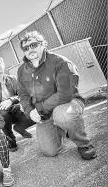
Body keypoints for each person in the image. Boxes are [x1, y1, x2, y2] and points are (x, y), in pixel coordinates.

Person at [17, 30, 97, 160]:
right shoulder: (21, 70)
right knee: (49, 151)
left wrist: (39, 109)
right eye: (26, 48)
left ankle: (84, 143)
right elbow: (22, 93)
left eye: (34, 45)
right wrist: (30, 110)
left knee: (63, 116)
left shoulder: (60, 62)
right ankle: (64, 130)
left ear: (43, 44)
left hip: (67, 104)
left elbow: (65, 94)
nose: (30, 49)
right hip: (44, 113)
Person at [0, 55, 36, 152]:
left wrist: (10, 100)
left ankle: (20, 127)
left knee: (33, 109)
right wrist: (14, 104)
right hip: (4, 114)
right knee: (3, 113)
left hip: (16, 109)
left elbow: (22, 94)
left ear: (3, 64)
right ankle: (11, 140)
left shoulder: (13, 79)